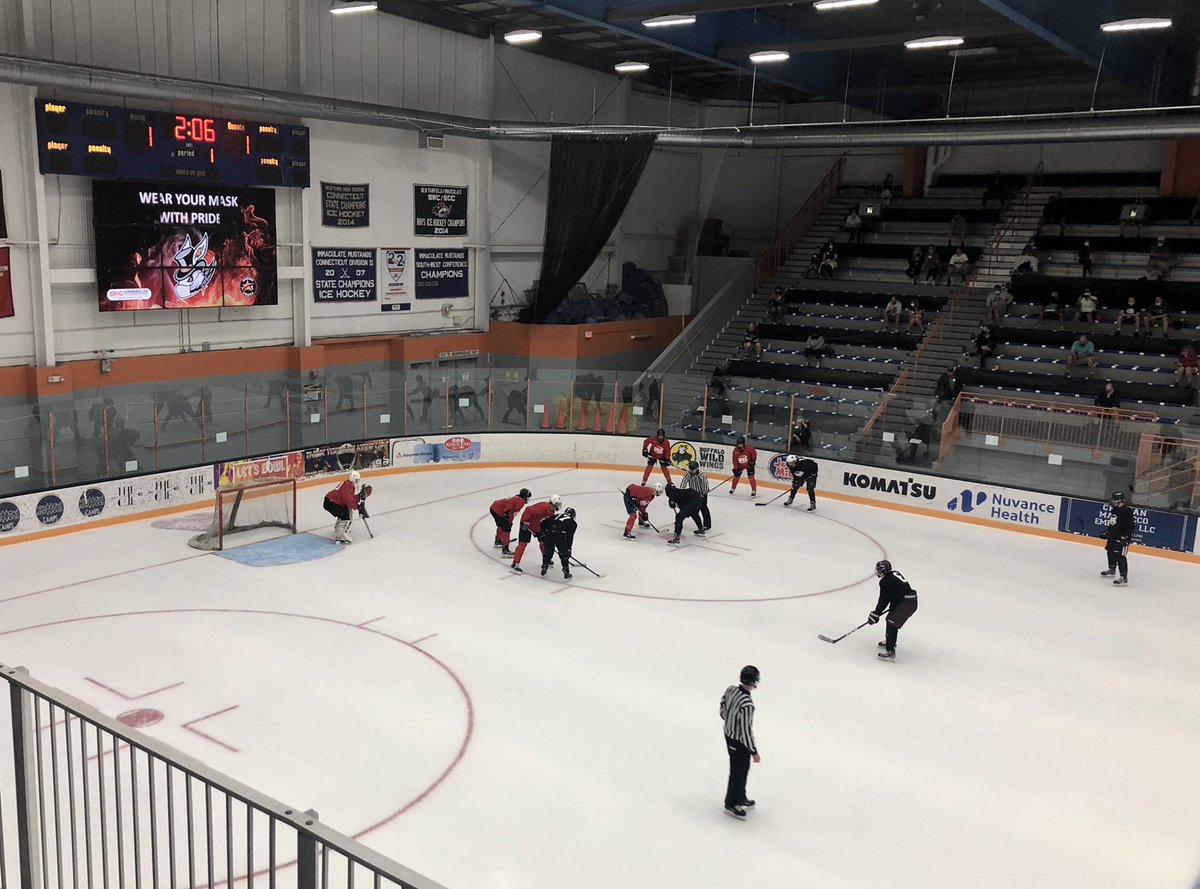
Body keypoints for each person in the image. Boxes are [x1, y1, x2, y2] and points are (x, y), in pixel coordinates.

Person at [720, 665, 760, 820]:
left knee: (742, 769)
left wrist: (728, 719)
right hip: (738, 742)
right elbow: (745, 731)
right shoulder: (747, 705)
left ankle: (740, 797)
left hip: (728, 735)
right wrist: (753, 751)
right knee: (738, 771)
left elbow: (722, 706)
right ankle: (731, 803)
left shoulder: (731, 690)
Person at [869, 560, 919, 660]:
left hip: (907, 603)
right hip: (907, 600)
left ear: (883, 570)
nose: (877, 571)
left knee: (891, 622)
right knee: (891, 619)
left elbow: (884, 600)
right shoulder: (894, 573)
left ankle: (890, 651)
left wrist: (876, 614)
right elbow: (897, 592)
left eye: (879, 569)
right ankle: (890, 641)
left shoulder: (885, 581)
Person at [510, 494, 563, 573]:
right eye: (557, 504)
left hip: (537, 527)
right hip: (527, 526)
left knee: (543, 543)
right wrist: (525, 521)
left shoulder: (551, 511)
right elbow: (528, 510)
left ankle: (546, 560)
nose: (558, 506)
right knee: (522, 544)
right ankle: (515, 563)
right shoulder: (543, 507)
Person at [323, 470, 367, 544]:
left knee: (343, 512)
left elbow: (350, 498)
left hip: (330, 502)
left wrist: (358, 496)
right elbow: (348, 500)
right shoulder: (348, 486)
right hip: (331, 503)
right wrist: (357, 506)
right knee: (345, 515)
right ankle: (340, 536)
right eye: (357, 480)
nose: (357, 482)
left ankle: (338, 529)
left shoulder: (347, 485)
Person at [1100, 491, 1134, 586]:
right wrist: (1107, 531)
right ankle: (1112, 568)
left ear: (1119, 500)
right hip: (1113, 536)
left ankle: (1123, 576)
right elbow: (1113, 523)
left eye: (1114, 499)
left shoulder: (1127, 512)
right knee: (1110, 551)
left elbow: (1131, 527)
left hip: (1123, 538)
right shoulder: (1115, 510)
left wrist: (1125, 537)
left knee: (1120, 556)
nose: (1112, 501)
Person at [489, 487, 531, 556]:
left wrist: (509, 520)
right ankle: (505, 550)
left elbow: (511, 511)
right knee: (506, 529)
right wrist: (507, 516)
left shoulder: (517, 498)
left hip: (494, 508)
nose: (528, 499)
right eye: (527, 497)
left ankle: (498, 540)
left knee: (501, 525)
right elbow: (510, 509)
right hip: (499, 511)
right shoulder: (520, 501)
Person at [539, 507, 577, 580]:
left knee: (548, 552)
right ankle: (566, 571)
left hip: (549, 534)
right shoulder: (573, 523)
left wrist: (543, 534)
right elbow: (570, 537)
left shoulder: (556, 515)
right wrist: (568, 548)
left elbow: (543, 522)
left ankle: (544, 566)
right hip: (560, 536)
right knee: (563, 555)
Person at [679, 460, 712, 533]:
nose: (691, 471)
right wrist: (681, 492)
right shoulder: (688, 473)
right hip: (692, 494)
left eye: (693, 469)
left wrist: (703, 494)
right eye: (690, 469)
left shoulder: (702, 475)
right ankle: (679, 520)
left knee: (703, 508)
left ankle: (707, 524)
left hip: (701, 494)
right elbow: (684, 482)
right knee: (686, 507)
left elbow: (705, 486)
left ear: (697, 468)